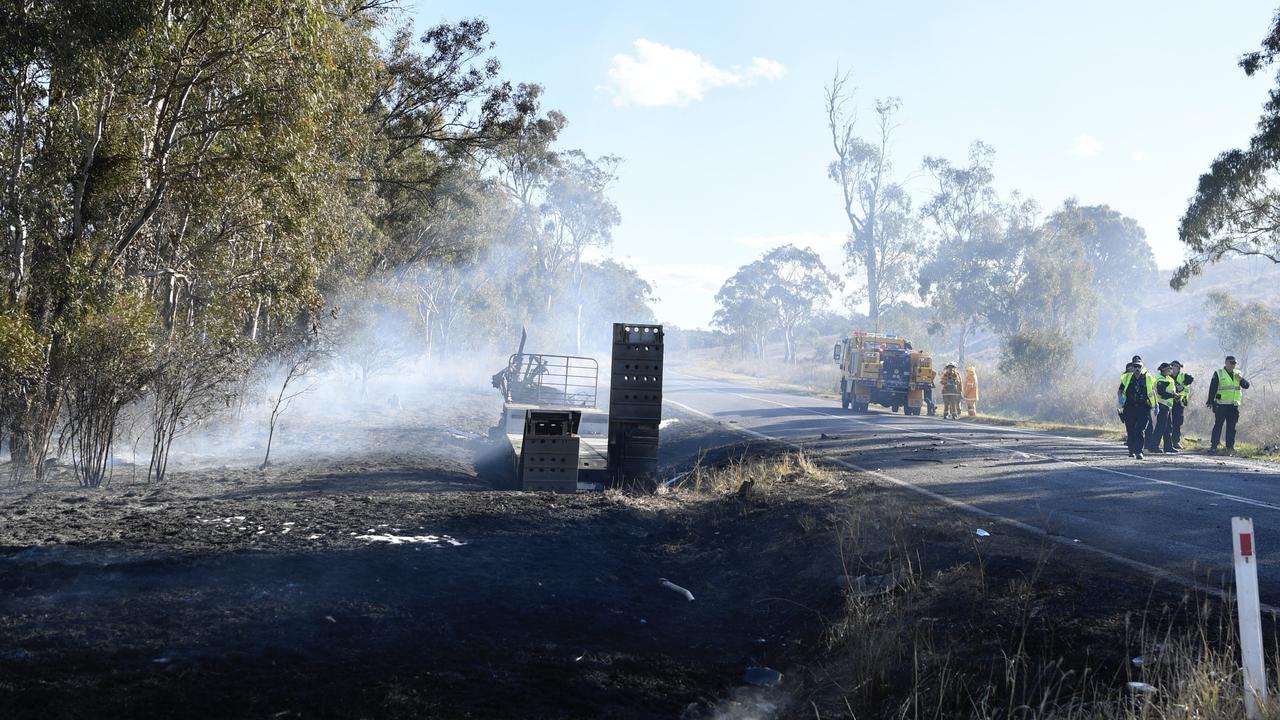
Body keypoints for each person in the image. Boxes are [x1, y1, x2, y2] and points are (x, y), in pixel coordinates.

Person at [1206, 355, 1251, 454]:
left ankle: (1230, 447)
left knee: (1232, 427)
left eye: (1234, 364)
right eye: (1231, 363)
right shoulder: (1219, 373)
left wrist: (1241, 379)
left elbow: (1246, 386)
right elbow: (1212, 387)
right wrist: (1210, 401)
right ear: (1226, 363)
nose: (1233, 366)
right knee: (1218, 425)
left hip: (1234, 406)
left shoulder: (1238, 374)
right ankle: (1214, 446)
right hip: (1221, 405)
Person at [1118, 356, 1156, 459]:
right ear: (1132, 367)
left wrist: (1155, 404)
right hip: (1129, 407)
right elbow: (1120, 390)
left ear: (1142, 367)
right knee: (1130, 430)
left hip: (1143, 408)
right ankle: (1131, 450)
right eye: (1135, 366)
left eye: (1139, 366)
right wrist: (1120, 399)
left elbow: (1152, 392)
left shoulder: (1147, 378)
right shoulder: (1127, 378)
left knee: (1140, 430)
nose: (1137, 369)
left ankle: (1139, 451)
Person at [1145, 363, 1178, 454]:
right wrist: (1173, 395)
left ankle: (1168, 447)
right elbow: (1161, 392)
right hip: (1162, 405)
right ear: (1163, 370)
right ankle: (1153, 446)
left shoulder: (1169, 379)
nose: (1170, 370)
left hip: (1167, 406)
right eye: (1168, 369)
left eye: (1170, 369)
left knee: (1167, 427)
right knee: (1160, 427)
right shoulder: (1159, 379)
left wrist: (1175, 395)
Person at [1168, 361, 1193, 450]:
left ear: (1179, 368)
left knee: (1177, 422)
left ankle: (1176, 442)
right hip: (1169, 401)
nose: (1173, 368)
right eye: (1172, 366)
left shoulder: (1183, 376)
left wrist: (1182, 385)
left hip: (1179, 402)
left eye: (1175, 366)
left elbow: (1191, 379)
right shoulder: (1167, 376)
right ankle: (1168, 442)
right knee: (1168, 423)